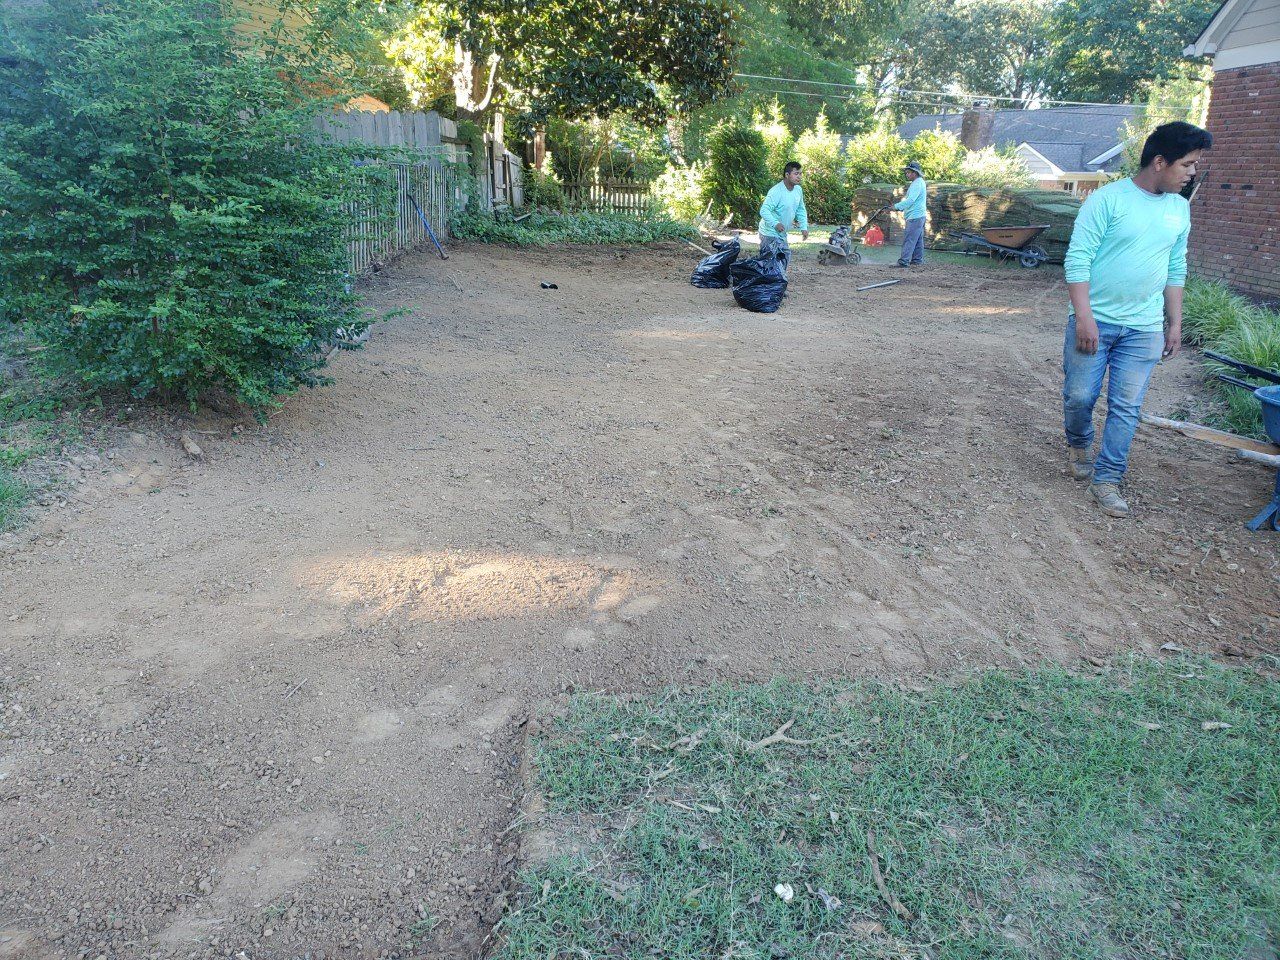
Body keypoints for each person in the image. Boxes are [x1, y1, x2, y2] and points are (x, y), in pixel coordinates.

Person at [1062, 120, 1212, 518]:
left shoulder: (1179, 210)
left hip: (1144, 327)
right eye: (1187, 165)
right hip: (1097, 320)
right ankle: (1079, 440)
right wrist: (1084, 317)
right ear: (1160, 162)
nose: (1192, 173)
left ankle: (1108, 478)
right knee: (1080, 397)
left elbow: (1175, 269)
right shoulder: (1107, 200)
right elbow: (1077, 260)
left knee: (1126, 407)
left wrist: (1174, 323)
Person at [758, 161, 809, 276]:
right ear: (787, 175)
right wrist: (775, 223)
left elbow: (801, 209)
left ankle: (776, 286)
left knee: (784, 257)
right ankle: (767, 289)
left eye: (800, 174)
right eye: (796, 174)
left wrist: (803, 227)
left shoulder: (798, 190)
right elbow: (764, 210)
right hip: (769, 233)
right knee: (770, 261)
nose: (799, 177)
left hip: (782, 233)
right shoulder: (776, 191)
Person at [892, 161, 927, 268]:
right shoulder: (919, 182)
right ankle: (917, 260)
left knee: (910, 239)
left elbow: (911, 200)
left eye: (908, 172)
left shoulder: (917, 183)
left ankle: (903, 261)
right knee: (917, 240)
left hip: (915, 216)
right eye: (906, 172)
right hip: (920, 215)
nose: (907, 174)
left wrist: (896, 206)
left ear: (915, 173)